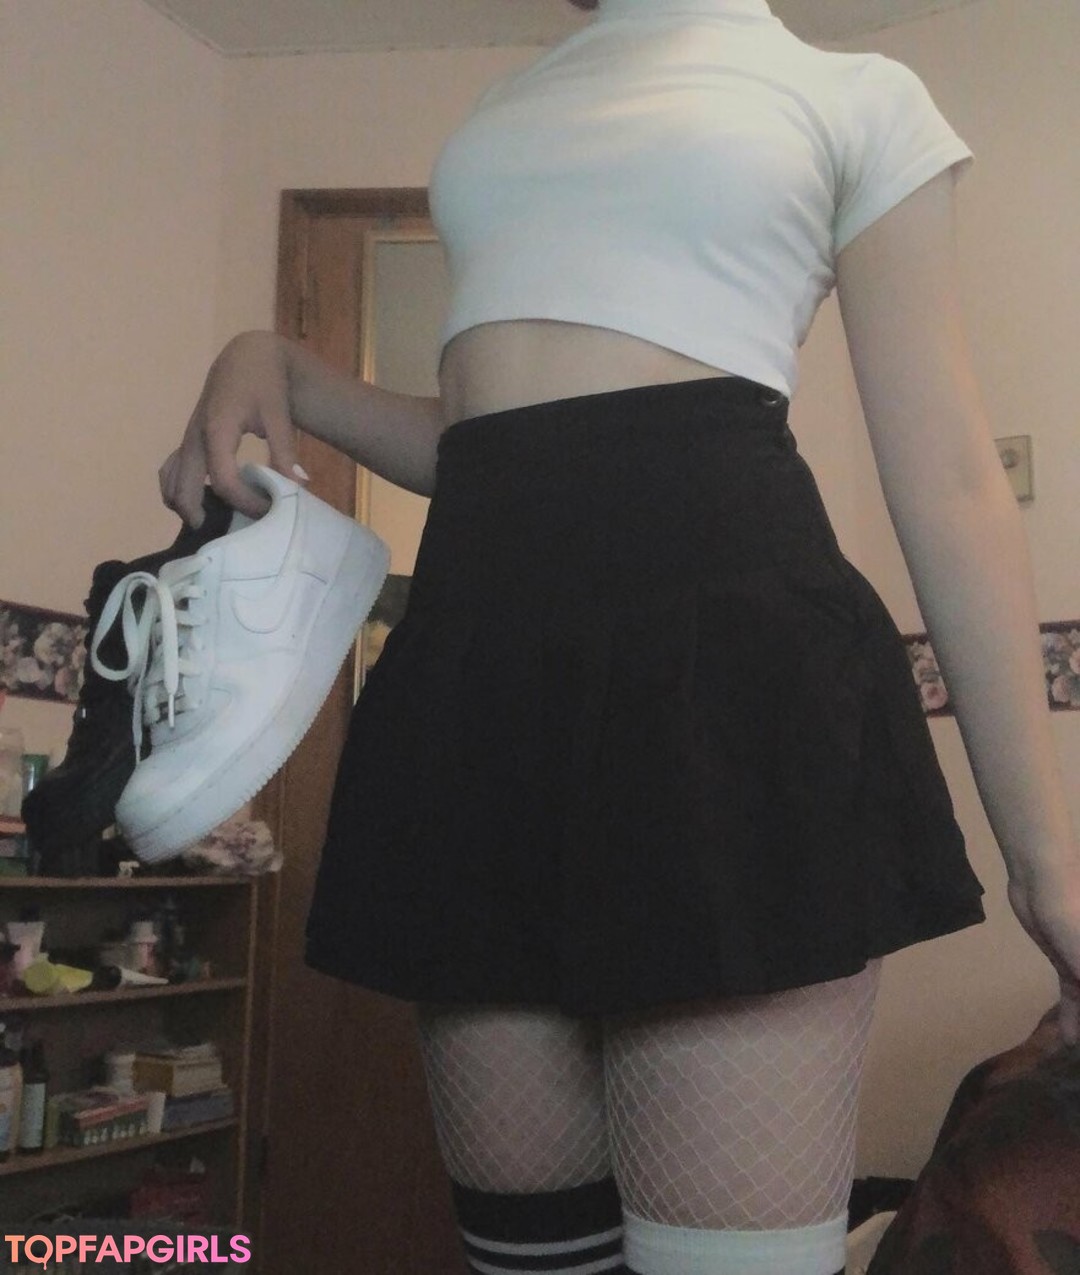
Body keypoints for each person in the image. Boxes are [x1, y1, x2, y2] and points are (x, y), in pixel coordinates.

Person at [159, 1, 1080, 1271]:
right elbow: (492, 437)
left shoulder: (854, 97)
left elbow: (953, 478)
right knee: (528, 1252)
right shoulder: (508, 108)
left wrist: (1048, 867)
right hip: (484, 677)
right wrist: (276, 363)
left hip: (729, 685)